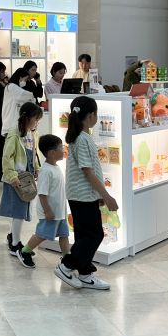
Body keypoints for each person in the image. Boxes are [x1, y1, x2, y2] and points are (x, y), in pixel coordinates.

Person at [54, 96, 118, 291]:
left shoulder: (81, 137)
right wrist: (106, 195)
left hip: (84, 195)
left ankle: (85, 274)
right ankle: (66, 266)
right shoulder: (82, 139)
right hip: (81, 195)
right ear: (91, 115)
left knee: (84, 235)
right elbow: (87, 171)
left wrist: (98, 195)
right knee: (94, 234)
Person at [16, 134, 70, 269]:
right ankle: (24, 251)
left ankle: (67, 258)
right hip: (50, 212)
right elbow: (42, 193)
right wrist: (47, 211)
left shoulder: (56, 167)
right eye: (61, 147)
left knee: (64, 235)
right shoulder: (46, 171)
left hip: (60, 212)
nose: (64, 149)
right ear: (52, 153)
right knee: (42, 234)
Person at [0, 102, 43, 256]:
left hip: (26, 178)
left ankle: (12, 236)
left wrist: (37, 168)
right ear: (27, 118)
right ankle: (15, 244)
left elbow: (34, 154)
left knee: (21, 210)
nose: (37, 123)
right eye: (36, 119)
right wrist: (12, 176)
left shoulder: (33, 133)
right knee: (19, 212)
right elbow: (7, 157)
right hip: (16, 179)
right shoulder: (14, 134)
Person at [1, 68, 36, 136]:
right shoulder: (12, 87)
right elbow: (27, 96)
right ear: (20, 77)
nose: (25, 82)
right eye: (25, 79)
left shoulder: (12, 87)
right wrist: (32, 98)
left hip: (11, 123)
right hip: (11, 124)